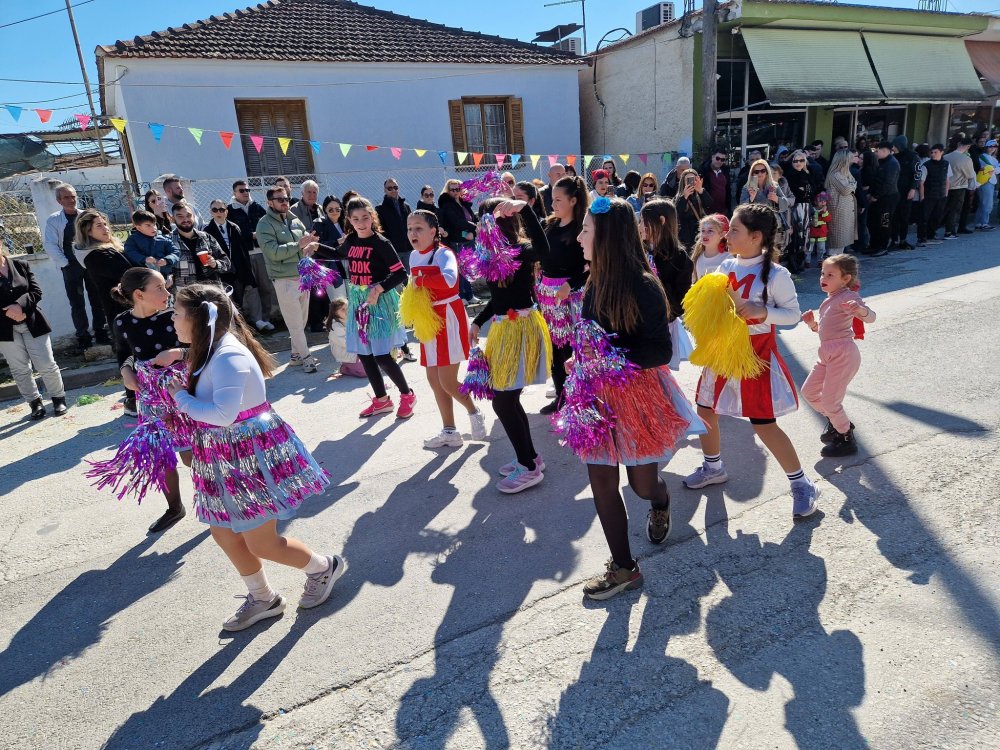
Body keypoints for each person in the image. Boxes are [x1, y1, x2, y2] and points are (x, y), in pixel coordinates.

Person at [165, 283, 344, 632]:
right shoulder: (209, 348)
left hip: (247, 453)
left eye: (176, 313)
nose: (171, 319)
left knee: (262, 542)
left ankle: (323, 567)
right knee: (224, 533)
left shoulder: (228, 354)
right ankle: (263, 598)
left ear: (199, 318)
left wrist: (178, 398)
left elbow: (223, 414)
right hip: (222, 454)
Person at [572, 197, 703, 601]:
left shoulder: (645, 286)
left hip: (636, 396)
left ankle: (661, 501)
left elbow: (659, 352)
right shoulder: (594, 282)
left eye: (586, 230)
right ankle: (624, 568)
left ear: (607, 237)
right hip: (596, 397)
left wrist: (610, 359)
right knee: (602, 483)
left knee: (642, 484)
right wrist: (581, 360)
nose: (579, 238)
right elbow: (594, 338)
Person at [685, 203, 819, 518]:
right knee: (705, 410)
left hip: (756, 355)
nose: (727, 235)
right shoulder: (725, 266)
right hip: (722, 351)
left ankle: (801, 484)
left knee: (763, 424)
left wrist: (763, 312)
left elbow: (792, 315)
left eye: (734, 230)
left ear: (756, 236)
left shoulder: (777, 274)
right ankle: (713, 467)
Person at [470, 198, 551, 494]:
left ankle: (527, 468)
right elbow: (499, 299)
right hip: (504, 328)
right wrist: (478, 321)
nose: (481, 224)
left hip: (521, 329)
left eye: (485, 217)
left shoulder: (519, 249)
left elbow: (543, 250)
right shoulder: (492, 255)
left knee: (503, 400)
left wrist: (524, 208)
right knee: (508, 398)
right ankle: (530, 458)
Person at [111, 268, 189, 533]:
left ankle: (214, 496)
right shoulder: (122, 322)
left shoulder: (174, 316)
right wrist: (125, 371)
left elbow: (203, 348)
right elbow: (124, 353)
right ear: (139, 294)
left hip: (181, 390)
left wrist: (177, 353)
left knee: (192, 454)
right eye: (160, 288)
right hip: (148, 394)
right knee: (161, 454)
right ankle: (175, 507)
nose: (167, 293)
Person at [406, 210, 487, 446]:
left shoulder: (444, 253)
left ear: (433, 231)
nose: (413, 233)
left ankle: (474, 412)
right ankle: (450, 431)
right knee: (433, 379)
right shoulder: (412, 256)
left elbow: (450, 280)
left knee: (447, 381)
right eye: (410, 228)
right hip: (427, 319)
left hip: (449, 317)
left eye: (419, 228)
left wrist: (420, 281)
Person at [333, 196, 416, 418]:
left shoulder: (381, 243)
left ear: (372, 217)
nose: (361, 222)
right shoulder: (351, 240)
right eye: (356, 219)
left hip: (379, 304)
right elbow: (337, 255)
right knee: (366, 356)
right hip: (358, 303)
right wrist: (313, 247)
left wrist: (379, 288)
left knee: (382, 356)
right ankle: (381, 401)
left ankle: (407, 394)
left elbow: (400, 273)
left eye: (365, 217)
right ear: (349, 220)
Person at [800, 254, 875, 459]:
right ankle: (838, 423)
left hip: (843, 354)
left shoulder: (848, 297)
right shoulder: (830, 299)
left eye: (830, 274)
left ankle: (845, 438)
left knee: (831, 401)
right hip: (827, 353)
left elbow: (871, 317)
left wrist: (860, 309)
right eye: (823, 273)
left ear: (845, 279)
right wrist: (812, 324)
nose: (823, 277)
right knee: (809, 392)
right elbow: (826, 331)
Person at [74, 208, 139, 414]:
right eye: (99, 225)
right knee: (128, 353)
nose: (105, 228)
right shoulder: (96, 255)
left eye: (105, 223)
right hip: (121, 311)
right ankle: (132, 400)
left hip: (132, 308)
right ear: (87, 231)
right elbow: (129, 275)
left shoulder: (110, 248)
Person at [256, 187, 320, 373]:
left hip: (303, 275)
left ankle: (295, 356)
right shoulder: (264, 224)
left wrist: (310, 245)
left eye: (286, 198)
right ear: (270, 202)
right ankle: (307, 358)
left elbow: (304, 243)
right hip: (284, 279)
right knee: (295, 323)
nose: (284, 201)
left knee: (301, 321)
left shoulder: (294, 219)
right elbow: (273, 253)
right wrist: (299, 245)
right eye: (279, 199)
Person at [539, 175, 589, 414]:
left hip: (573, 298)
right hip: (548, 296)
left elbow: (593, 267)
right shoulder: (549, 225)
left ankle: (580, 398)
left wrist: (572, 284)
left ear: (573, 201)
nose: (553, 204)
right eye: (552, 199)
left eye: (558, 199)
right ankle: (561, 397)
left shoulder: (582, 230)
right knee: (554, 349)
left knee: (573, 349)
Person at [0, 247, 67, 420]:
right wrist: (9, 311)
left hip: (32, 321)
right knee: (20, 369)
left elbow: (36, 292)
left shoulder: (21, 265)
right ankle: (34, 403)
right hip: (5, 328)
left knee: (46, 364)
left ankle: (58, 398)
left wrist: (19, 306)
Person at [43, 182, 109, 349]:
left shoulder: (85, 216)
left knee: (98, 299)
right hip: (71, 267)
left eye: (73, 196)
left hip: (90, 264)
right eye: (66, 197)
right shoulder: (54, 220)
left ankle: (101, 332)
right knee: (77, 303)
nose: (71, 200)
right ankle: (83, 337)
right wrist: (65, 263)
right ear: (59, 200)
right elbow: (50, 244)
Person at [639, 199, 694, 370]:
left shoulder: (680, 258)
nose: (640, 225)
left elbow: (681, 301)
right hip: (636, 323)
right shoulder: (637, 250)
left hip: (661, 327)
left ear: (661, 221)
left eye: (643, 221)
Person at [228, 179, 276, 332]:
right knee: (251, 288)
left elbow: (268, 225)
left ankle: (267, 318)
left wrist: (260, 235)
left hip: (261, 252)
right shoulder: (230, 210)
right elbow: (233, 234)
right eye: (241, 190)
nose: (245, 193)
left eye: (247, 190)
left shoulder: (257, 207)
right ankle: (257, 320)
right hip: (244, 255)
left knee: (266, 286)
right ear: (234, 193)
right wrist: (250, 236)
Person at [204, 200, 257, 315]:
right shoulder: (207, 231)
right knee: (226, 302)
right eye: (215, 210)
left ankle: (241, 326)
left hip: (237, 270)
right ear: (210, 212)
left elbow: (243, 252)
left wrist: (248, 272)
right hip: (221, 272)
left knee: (239, 301)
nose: (219, 212)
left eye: (222, 209)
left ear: (226, 212)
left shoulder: (234, 227)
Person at [169, 202, 232, 290]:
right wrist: (168, 277)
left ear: (194, 217)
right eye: (180, 216)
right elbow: (163, 268)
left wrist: (215, 263)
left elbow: (227, 263)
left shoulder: (206, 237)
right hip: (187, 294)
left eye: (188, 215)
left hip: (212, 291)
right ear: (172, 219)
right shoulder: (169, 241)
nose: (186, 219)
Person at [438, 179, 479, 304]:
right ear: (448, 191)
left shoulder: (464, 203)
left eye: (458, 189)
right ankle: (461, 295)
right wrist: (471, 229)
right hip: (457, 241)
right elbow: (456, 223)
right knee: (459, 269)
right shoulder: (447, 205)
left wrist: (474, 231)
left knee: (468, 268)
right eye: (452, 189)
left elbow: (474, 218)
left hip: (468, 240)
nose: (456, 192)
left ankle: (470, 294)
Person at [123, 210, 179, 287]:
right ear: (138, 228)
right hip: (144, 278)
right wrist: (144, 259)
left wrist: (167, 260)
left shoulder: (164, 238)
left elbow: (175, 252)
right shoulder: (133, 240)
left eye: (154, 224)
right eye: (148, 225)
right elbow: (129, 252)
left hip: (165, 276)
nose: (154, 228)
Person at [312, 196, 348, 302]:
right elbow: (317, 246)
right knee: (339, 301)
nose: (335, 212)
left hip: (349, 265)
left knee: (352, 299)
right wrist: (338, 242)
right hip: (332, 267)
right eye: (330, 209)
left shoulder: (346, 223)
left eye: (338, 209)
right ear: (325, 210)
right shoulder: (319, 224)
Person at [824, 149, 858, 256]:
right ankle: (832, 263)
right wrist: (853, 184)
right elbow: (846, 190)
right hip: (838, 211)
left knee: (841, 243)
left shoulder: (845, 173)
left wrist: (851, 184)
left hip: (844, 211)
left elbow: (850, 186)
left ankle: (836, 264)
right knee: (836, 241)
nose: (852, 160)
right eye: (850, 158)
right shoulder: (835, 174)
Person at [375, 178, 413, 271]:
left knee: (410, 278)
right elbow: (380, 230)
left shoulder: (406, 206)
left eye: (395, 187)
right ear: (385, 190)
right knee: (397, 280)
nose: (393, 190)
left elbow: (411, 225)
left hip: (408, 248)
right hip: (393, 251)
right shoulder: (380, 209)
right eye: (390, 188)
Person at [889, 136, 920, 250]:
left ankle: (903, 239)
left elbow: (917, 174)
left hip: (907, 190)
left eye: (895, 146)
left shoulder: (912, 156)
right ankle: (893, 239)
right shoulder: (892, 157)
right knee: (893, 216)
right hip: (894, 190)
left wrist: (913, 188)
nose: (893, 148)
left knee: (904, 216)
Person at [943, 138, 977, 239]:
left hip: (945, 186)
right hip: (959, 186)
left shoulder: (945, 156)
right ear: (968, 147)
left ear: (959, 143)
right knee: (955, 210)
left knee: (945, 209)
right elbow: (970, 175)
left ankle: (936, 230)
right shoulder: (966, 159)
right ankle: (950, 231)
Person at [325, 298, 366, 378]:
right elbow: (347, 344)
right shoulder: (336, 326)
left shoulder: (351, 320)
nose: (346, 311)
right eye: (342, 309)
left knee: (376, 365)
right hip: (347, 355)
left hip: (357, 351)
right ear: (335, 312)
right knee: (365, 371)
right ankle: (345, 368)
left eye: (347, 308)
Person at [675, 168, 713, 250]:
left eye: (693, 179)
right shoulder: (679, 197)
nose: (691, 182)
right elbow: (676, 212)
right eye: (688, 180)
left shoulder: (699, 194)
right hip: (685, 236)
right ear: (683, 182)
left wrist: (701, 190)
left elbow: (709, 204)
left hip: (699, 233)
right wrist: (684, 197)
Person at [691, 213, 731, 281]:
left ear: (723, 234)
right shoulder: (697, 257)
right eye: (703, 230)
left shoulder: (729, 259)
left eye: (710, 231)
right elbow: (694, 282)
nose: (705, 234)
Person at [699, 148, 732, 217]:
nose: (719, 161)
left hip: (723, 212)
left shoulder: (725, 172)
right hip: (707, 212)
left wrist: (728, 209)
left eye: (722, 159)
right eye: (717, 158)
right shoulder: (703, 171)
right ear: (712, 157)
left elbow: (728, 190)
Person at [975, 139, 998, 231]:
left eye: (994, 147)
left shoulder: (994, 158)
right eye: (990, 146)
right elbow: (992, 168)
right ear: (986, 147)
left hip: (991, 181)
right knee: (987, 204)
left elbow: (996, 169)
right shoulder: (983, 156)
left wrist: (995, 169)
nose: (993, 148)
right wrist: (995, 168)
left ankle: (979, 223)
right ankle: (984, 223)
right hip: (985, 181)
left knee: (983, 204)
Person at [806, 192, 831, 266]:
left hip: (821, 234)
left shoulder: (825, 211)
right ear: (815, 202)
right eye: (820, 201)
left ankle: (820, 261)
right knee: (809, 249)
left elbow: (828, 219)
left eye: (824, 201)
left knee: (821, 249)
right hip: (812, 233)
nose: (823, 203)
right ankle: (807, 261)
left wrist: (825, 212)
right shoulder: (812, 210)